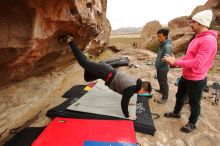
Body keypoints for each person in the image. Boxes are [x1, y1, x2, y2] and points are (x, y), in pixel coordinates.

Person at [58, 35, 152, 119]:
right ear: (143, 89)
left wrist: (128, 102)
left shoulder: (135, 84)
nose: (142, 94)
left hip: (105, 73)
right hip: (105, 72)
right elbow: (124, 101)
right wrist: (128, 116)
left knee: (87, 78)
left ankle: (88, 60)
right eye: (144, 93)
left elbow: (126, 94)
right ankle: (70, 41)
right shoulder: (131, 89)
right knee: (83, 63)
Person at [162, 10, 218, 133]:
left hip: (196, 80)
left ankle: (192, 123)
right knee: (180, 96)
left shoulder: (208, 40)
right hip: (186, 76)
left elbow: (198, 63)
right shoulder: (197, 38)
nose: (191, 24)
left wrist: (175, 62)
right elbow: (188, 57)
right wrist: (175, 62)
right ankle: (176, 113)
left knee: (194, 103)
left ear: (201, 23)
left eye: (193, 22)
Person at [155, 28, 172, 104]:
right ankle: (161, 90)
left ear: (165, 36)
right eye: (158, 36)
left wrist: (158, 65)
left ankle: (165, 97)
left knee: (163, 82)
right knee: (160, 80)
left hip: (163, 68)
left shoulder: (167, 46)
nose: (158, 38)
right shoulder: (162, 44)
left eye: (160, 36)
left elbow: (166, 59)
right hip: (159, 67)